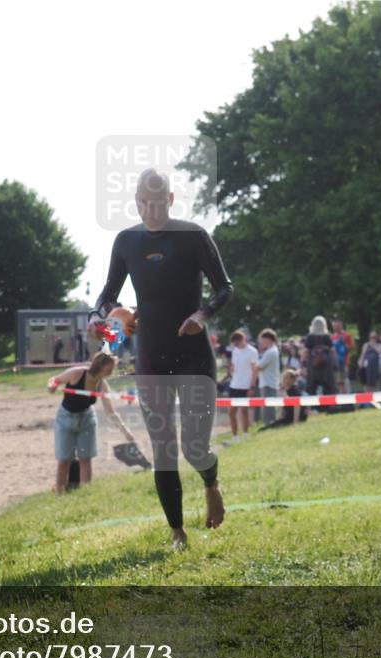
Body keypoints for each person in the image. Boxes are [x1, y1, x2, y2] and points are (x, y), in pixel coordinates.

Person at [89, 167, 232, 549]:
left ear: (170, 199)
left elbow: (224, 288)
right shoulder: (126, 241)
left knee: (195, 448)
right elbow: (107, 294)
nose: (151, 209)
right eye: (144, 202)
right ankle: (177, 532)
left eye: (158, 202)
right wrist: (98, 316)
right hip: (151, 357)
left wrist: (202, 315)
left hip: (194, 356)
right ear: (136, 202)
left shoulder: (193, 236)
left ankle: (212, 483)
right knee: (164, 448)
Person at [47, 353, 136, 493]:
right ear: (99, 366)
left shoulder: (102, 384)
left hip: (87, 419)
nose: (110, 373)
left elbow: (110, 411)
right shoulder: (77, 373)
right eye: (109, 369)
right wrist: (52, 386)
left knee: (86, 458)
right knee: (64, 460)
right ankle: (59, 493)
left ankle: (86, 493)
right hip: (65, 419)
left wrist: (126, 432)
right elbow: (54, 380)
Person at [226, 331, 258, 441]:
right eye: (234, 343)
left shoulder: (252, 351)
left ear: (243, 339)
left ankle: (245, 435)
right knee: (231, 412)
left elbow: (255, 370)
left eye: (237, 342)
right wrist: (230, 370)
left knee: (244, 411)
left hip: (246, 386)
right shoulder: (235, 350)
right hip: (234, 385)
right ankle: (235, 437)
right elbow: (234, 366)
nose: (236, 345)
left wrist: (252, 386)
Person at [304, 316, 337, 401]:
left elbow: (306, 351)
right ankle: (328, 404)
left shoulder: (310, 337)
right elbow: (332, 350)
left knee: (311, 386)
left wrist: (303, 362)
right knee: (328, 386)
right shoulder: (327, 337)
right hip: (326, 364)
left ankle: (313, 404)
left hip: (313, 364)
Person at [254, 329, 282, 427]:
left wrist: (254, 364)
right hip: (269, 383)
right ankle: (270, 425)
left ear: (268, 339)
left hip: (268, 384)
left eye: (262, 340)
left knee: (268, 409)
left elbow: (258, 366)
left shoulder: (270, 352)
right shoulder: (272, 350)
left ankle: (270, 426)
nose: (261, 342)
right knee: (268, 408)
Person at [331, 319, 354, 393]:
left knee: (344, 379)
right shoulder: (332, 337)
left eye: (337, 326)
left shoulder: (346, 335)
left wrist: (344, 344)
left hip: (344, 361)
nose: (336, 327)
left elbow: (351, 346)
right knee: (337, 381)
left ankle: (346, 396)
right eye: (334, 326)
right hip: (335, 362)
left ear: (341, 326)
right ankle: (339, 395)